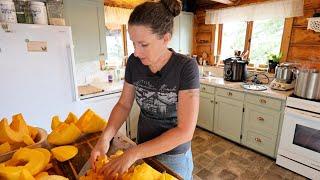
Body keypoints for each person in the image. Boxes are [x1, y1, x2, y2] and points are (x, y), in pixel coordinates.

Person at [90, 0, 199, 179]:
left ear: (165, 38)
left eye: (144, 44)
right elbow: (124, 105)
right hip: (142, 148)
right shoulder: (134, 62)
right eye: (134, 43)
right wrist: (105, 138)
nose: (136, 52)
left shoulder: (186, 67)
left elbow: (185, 131)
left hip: (174, 157)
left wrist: (133, 153)